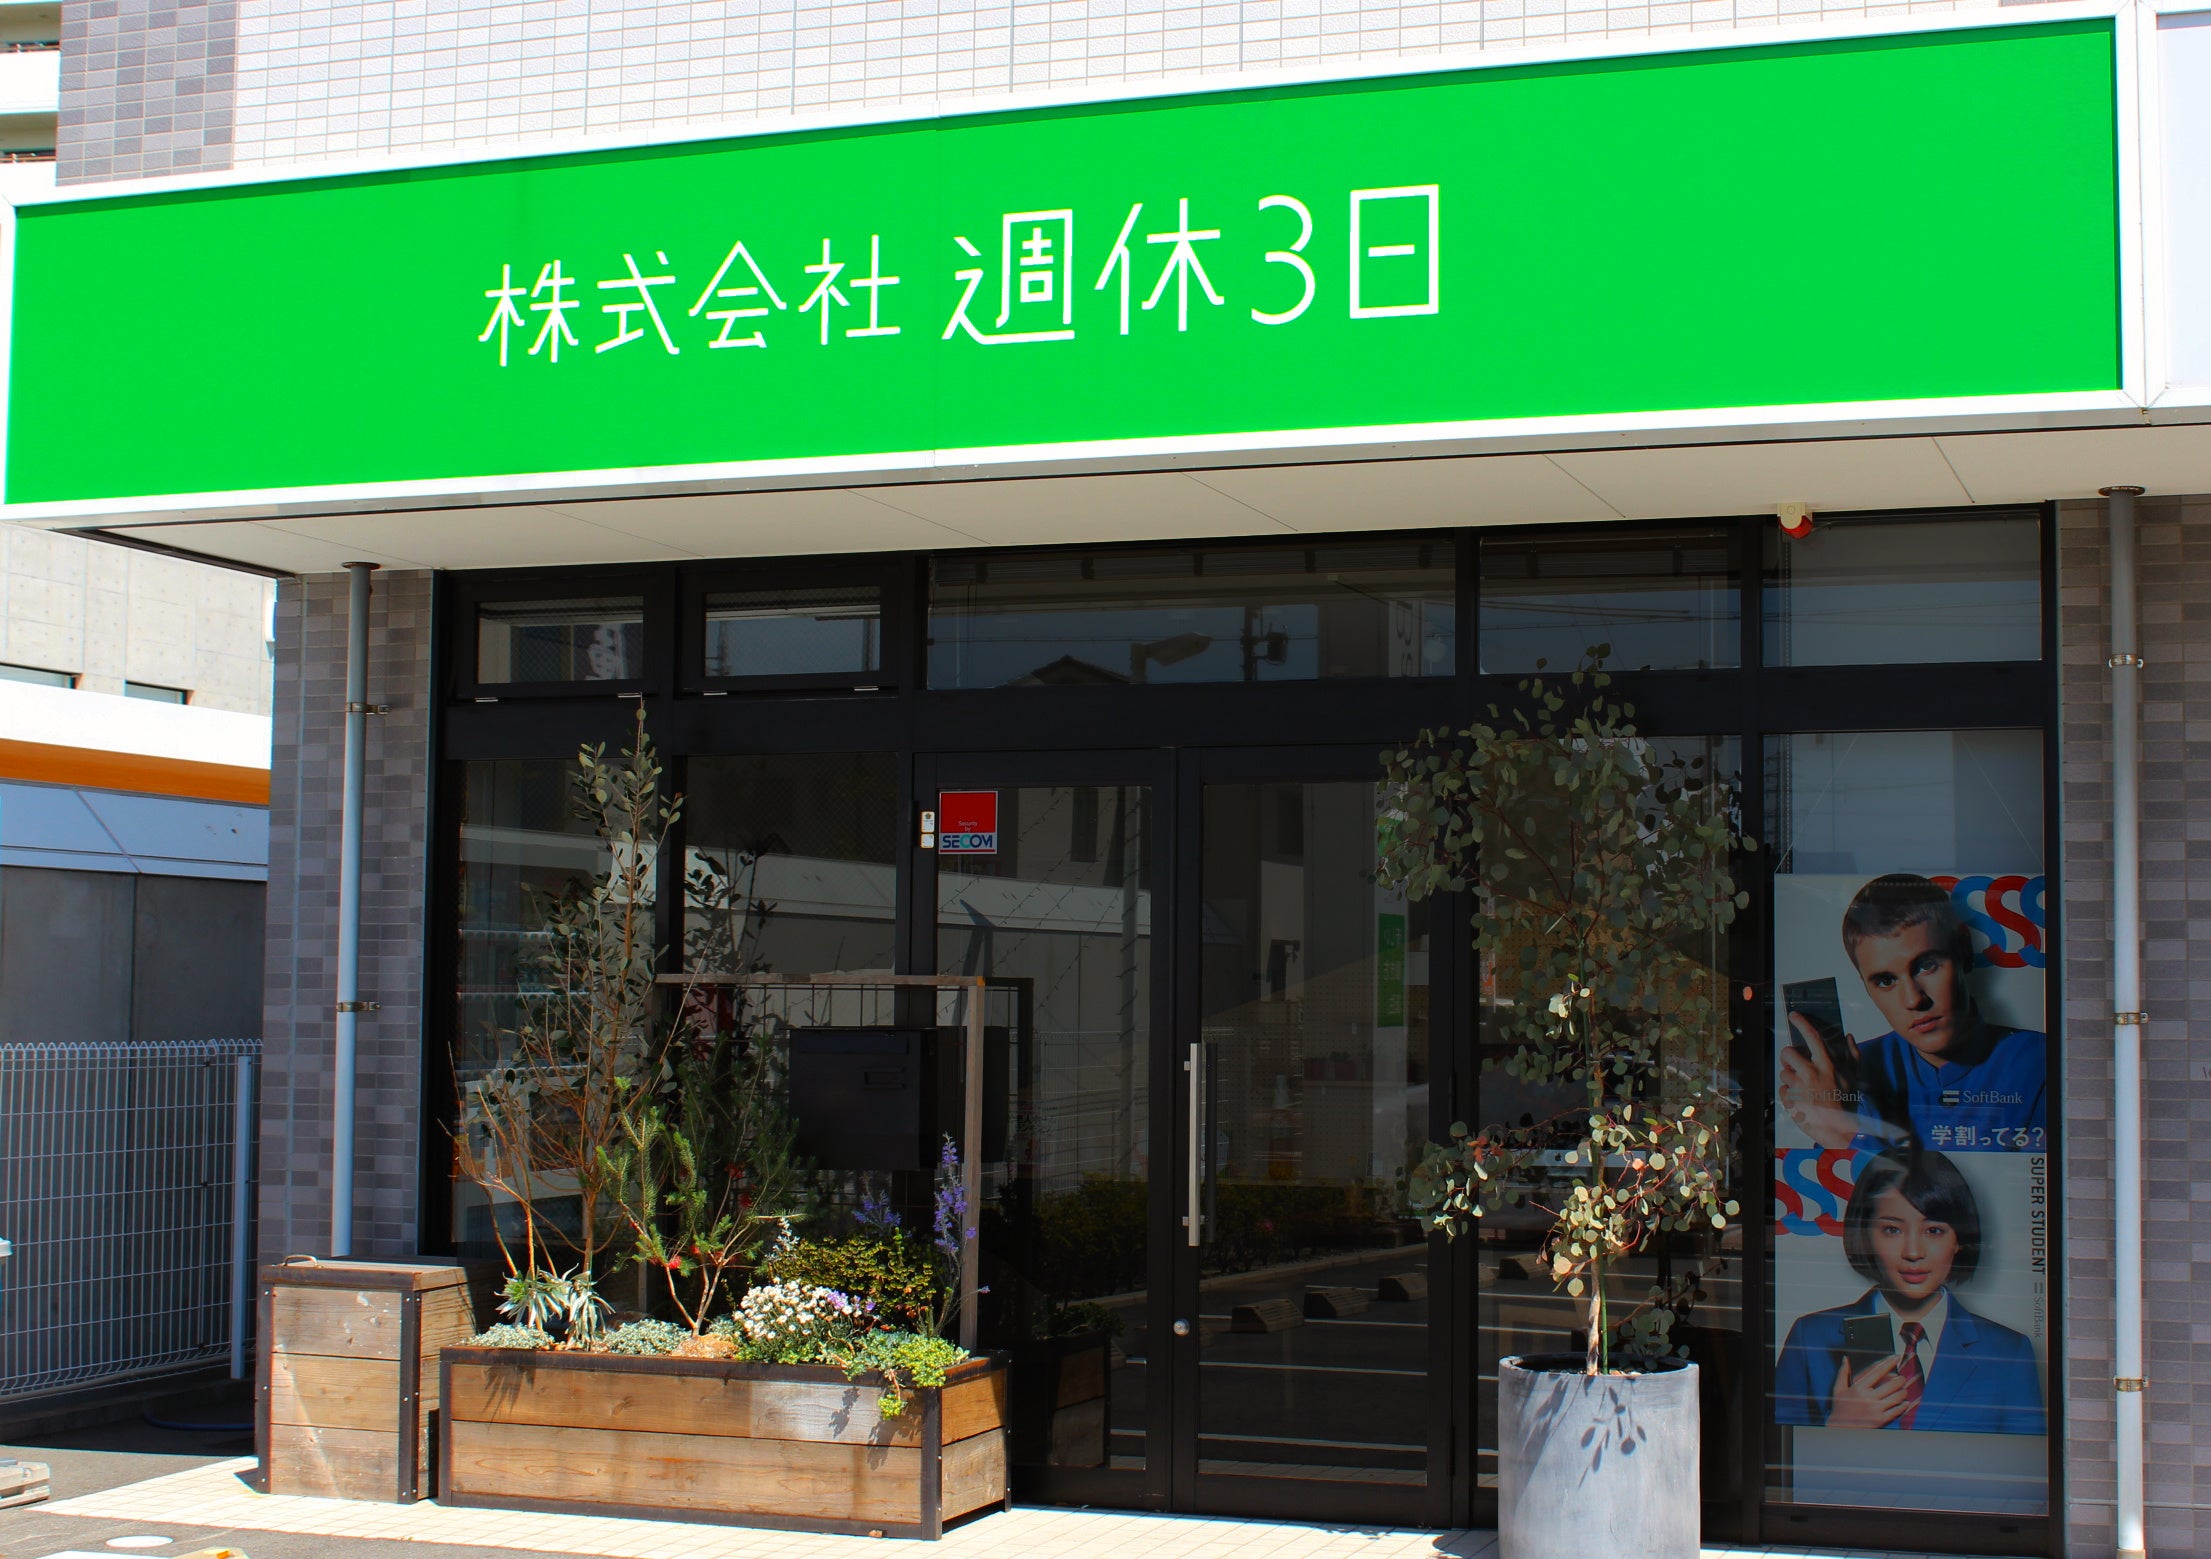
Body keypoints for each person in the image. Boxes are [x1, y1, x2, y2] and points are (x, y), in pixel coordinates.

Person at [1773, 1150, 2044, 1435]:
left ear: (1959, 1240)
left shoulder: (2009, 1352)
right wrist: (1837, 1426)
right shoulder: (1811, 1338)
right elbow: (1778, 1453)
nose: (1913, 1252)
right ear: (1865, 1235)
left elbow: (2019, 1456)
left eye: (1934, 1231)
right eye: (1892, 1230)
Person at [1779, 873, 2046, 1153]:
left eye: (1926, 965)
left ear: (1964, 950)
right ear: (1866, 988)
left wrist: (1841, 1132)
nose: (1913, 999)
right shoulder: (1848, 1073)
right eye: (1885, 981)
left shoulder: (2040, 1062)